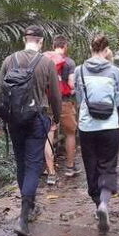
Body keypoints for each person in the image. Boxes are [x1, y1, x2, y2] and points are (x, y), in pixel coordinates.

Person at [0, 25, 61, 236]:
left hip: (14, 121)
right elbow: (56, 96)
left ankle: (28, 209)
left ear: (24, 40)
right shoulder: (47, 63)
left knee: (21, 163)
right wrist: (56, 119)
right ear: (41, 42)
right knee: (33, 165)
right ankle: (23, 216)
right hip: (37, 120)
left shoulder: (9, 60)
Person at [74, 34, 119, 234]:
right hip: (110, 126)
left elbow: (79, 97)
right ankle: (104, 203)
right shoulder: (114, 71)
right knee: (108, 166)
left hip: (87, 127)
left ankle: (98, 206)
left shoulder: (79, 70)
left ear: (91, 48)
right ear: (106, 50)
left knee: (91, 166)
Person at [43, 35, 79, 183]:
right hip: (64, 102)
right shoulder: (69, 62)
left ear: (54, 46)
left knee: (49, 134)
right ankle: (70, 168)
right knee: (70, 133)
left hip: (47, 103)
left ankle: (51, 172)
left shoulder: (44, 60)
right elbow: (71, 84)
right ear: (65, 46)